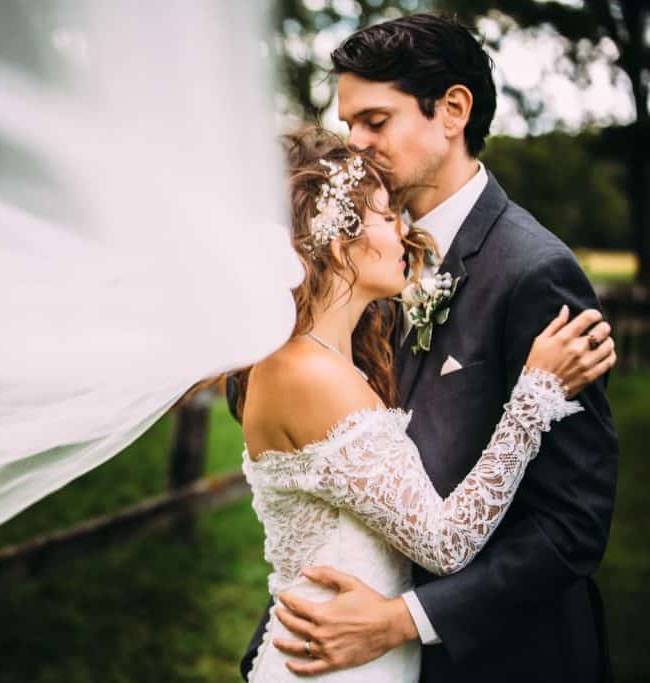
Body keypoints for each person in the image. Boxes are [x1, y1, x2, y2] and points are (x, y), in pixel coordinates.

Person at [237, 14, 619, 683]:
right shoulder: (362, 260)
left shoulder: (534, 273)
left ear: (453, 110)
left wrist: (400, 619)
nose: (355, 143)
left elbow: (572, 523)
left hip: (503, 660)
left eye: (374, 121)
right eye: (348, 122)